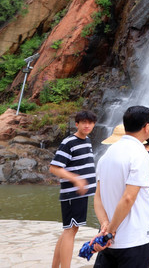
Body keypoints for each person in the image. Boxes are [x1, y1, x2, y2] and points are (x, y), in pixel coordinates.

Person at [91, 106, 149, 267]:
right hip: (133, 240)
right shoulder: (139, 154)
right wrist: (111, 231)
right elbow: (128, 198)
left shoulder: (107, 155)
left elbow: (98, 197)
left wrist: (105, 225)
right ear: (147, 126)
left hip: (109, 242)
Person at [50, 110, 98, 268]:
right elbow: (54, 168)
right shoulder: (69, 142)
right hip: (72, 195)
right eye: (83, 122)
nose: (87, 125)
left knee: (68, 231)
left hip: (80, 195)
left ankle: (55, 266)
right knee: (70, 231)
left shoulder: (87, 141)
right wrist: (76, 180)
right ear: (76, 124)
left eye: (90, 122)